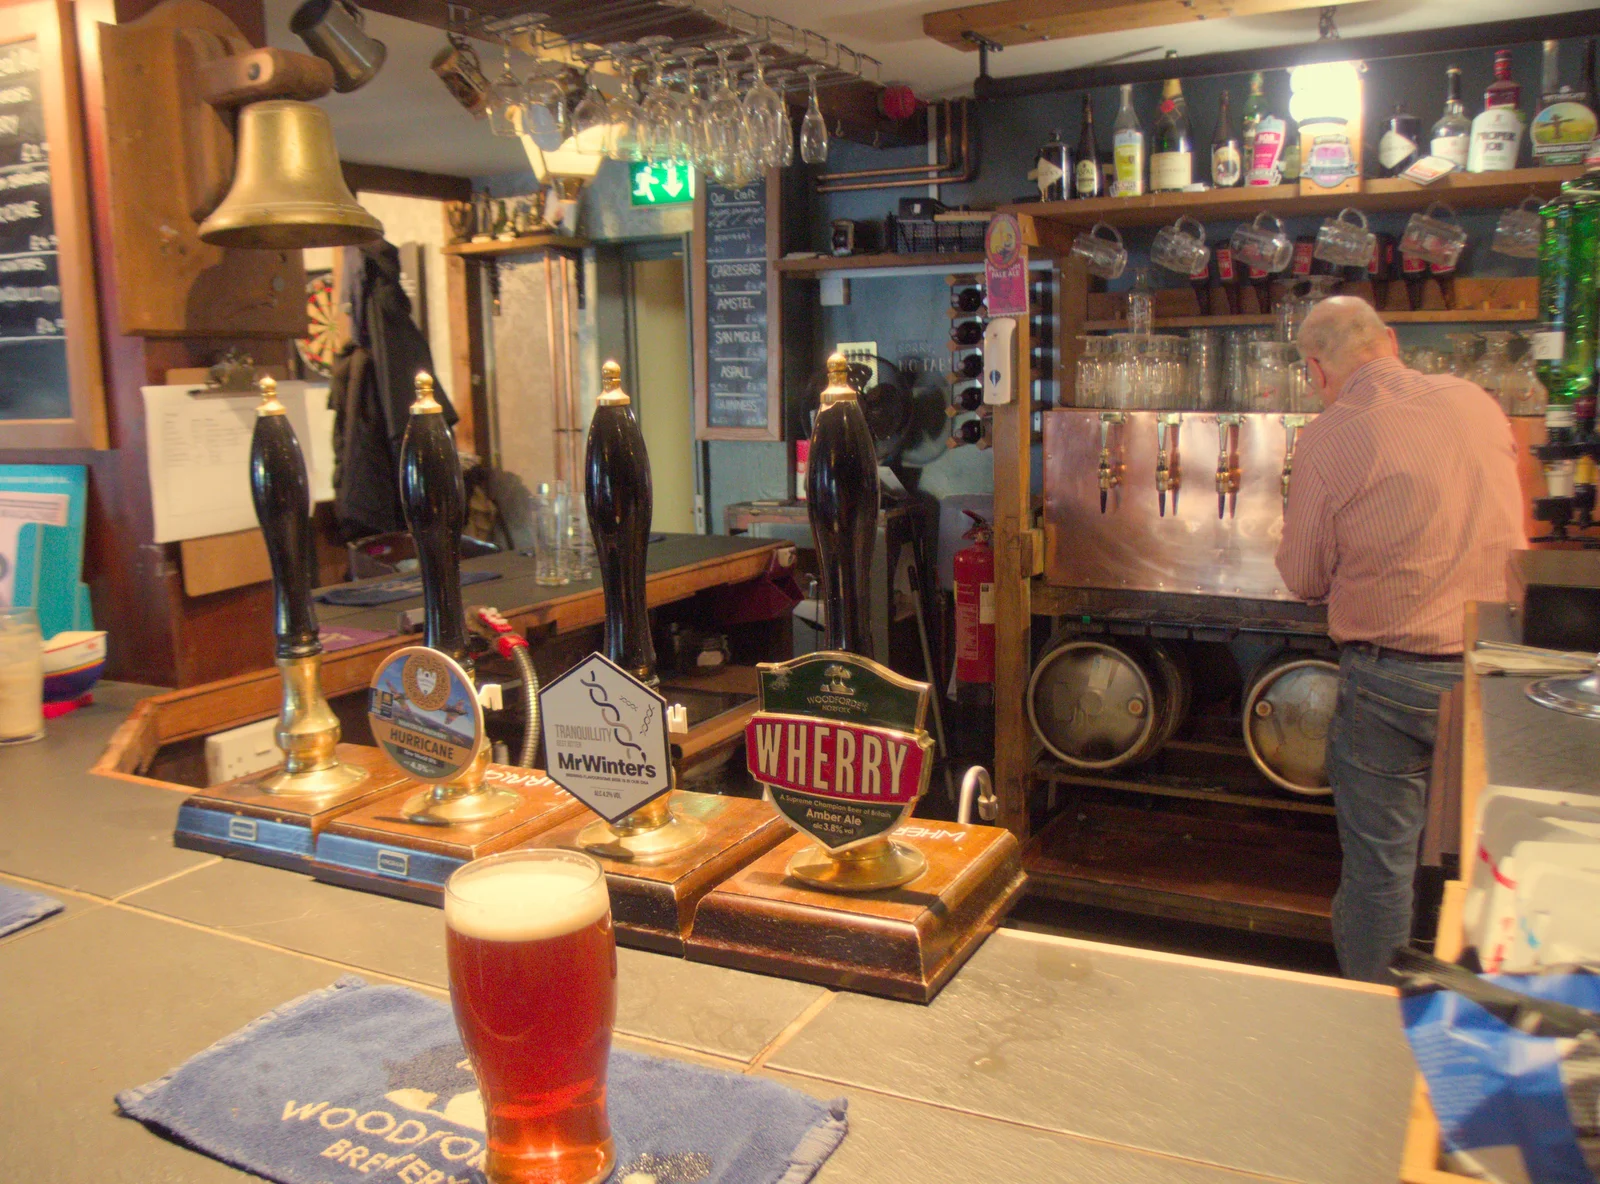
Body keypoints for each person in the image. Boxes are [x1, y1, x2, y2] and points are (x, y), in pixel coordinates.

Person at [1277, 297, 1526, 983]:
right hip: (1495, 671)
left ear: (1316, 369)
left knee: (1381, 872)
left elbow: (1302, 577)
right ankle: (1482, 1016)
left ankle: (1374, 1027)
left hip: (1392, 679)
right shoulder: (1476, 402)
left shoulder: (1331, 433)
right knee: (1488, 864)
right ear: (1389, 341)